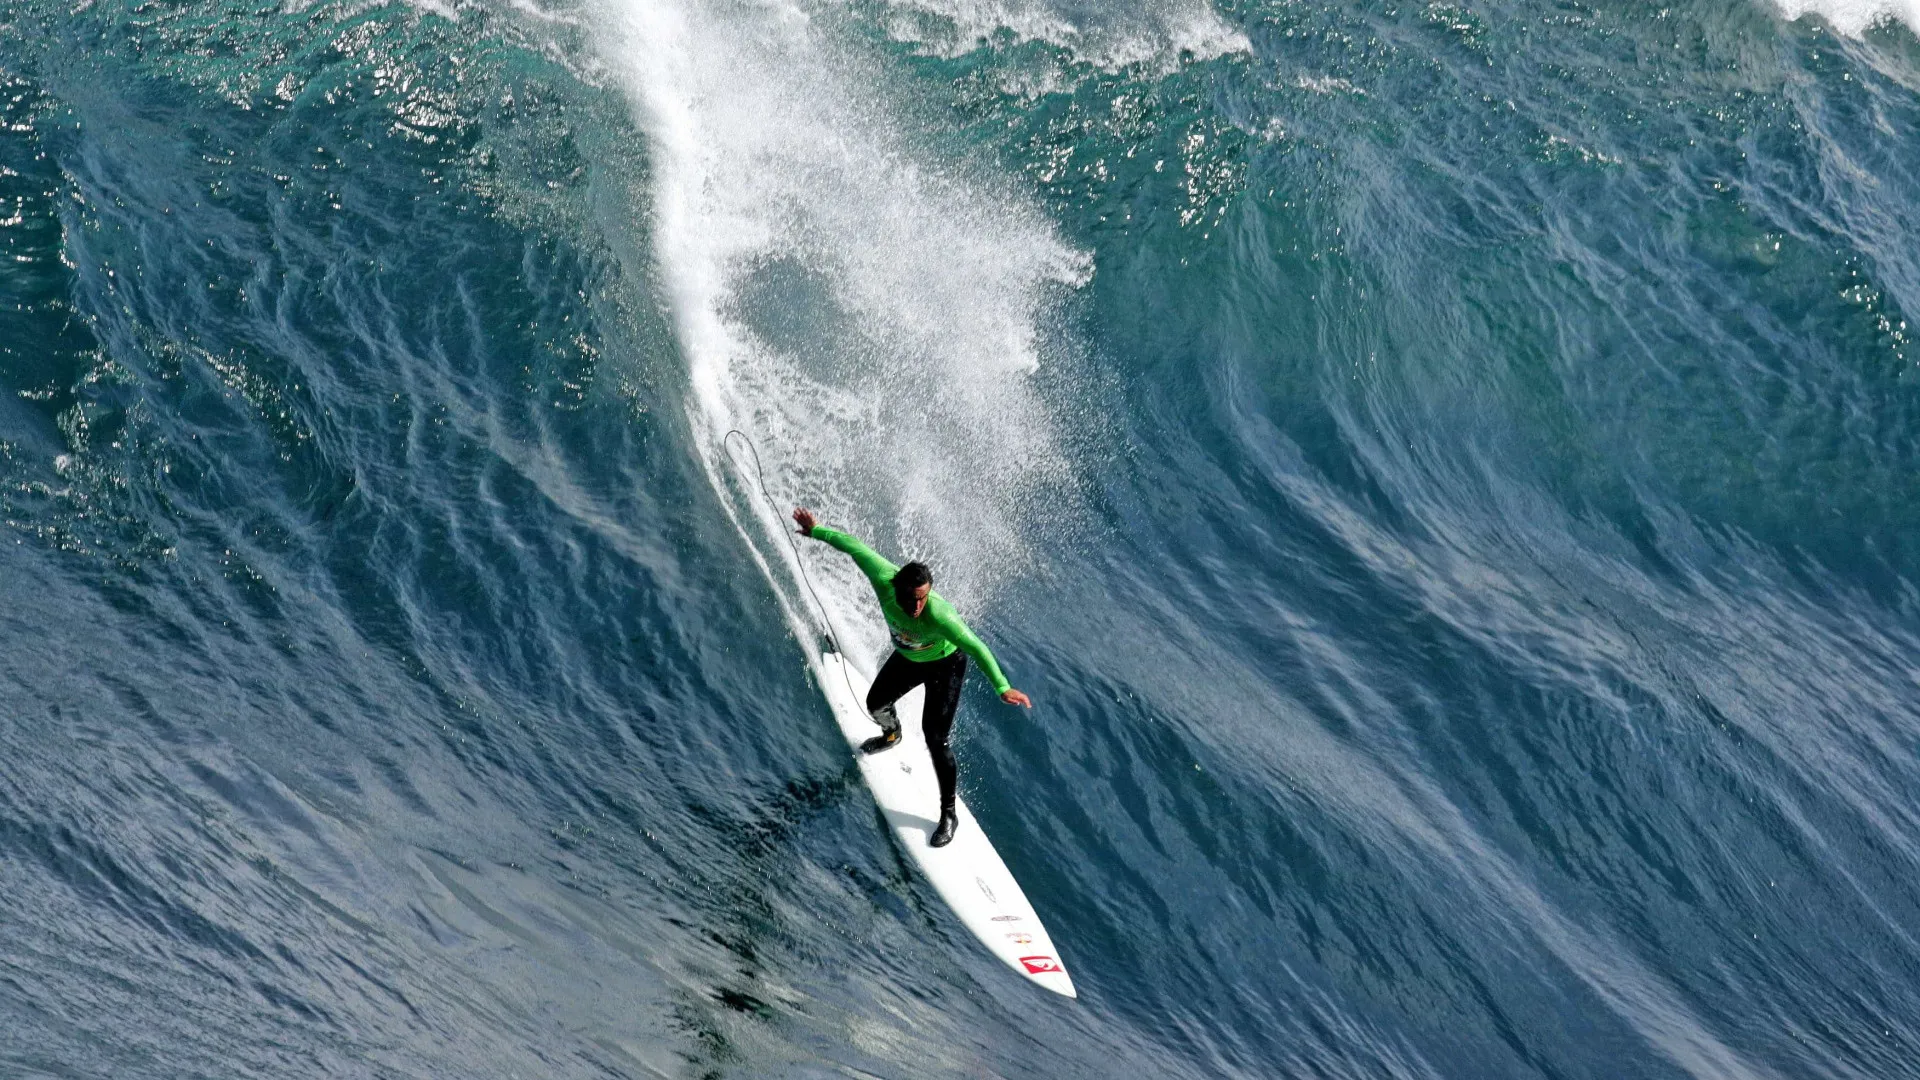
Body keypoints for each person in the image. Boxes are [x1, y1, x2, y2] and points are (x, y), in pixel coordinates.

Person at [792, 507, 1031, 848]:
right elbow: (854, 546)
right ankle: (892, 734)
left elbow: (975, 646)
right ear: (899, 586)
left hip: (945, 665)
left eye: (924, 598)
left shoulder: (941, 615)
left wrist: (1002, 686)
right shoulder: (884, 579)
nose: (918, 605)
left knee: (936, 737)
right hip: (908, 658)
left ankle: (948, 813)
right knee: (875, 703)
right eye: (913, 598)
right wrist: (816, 532)